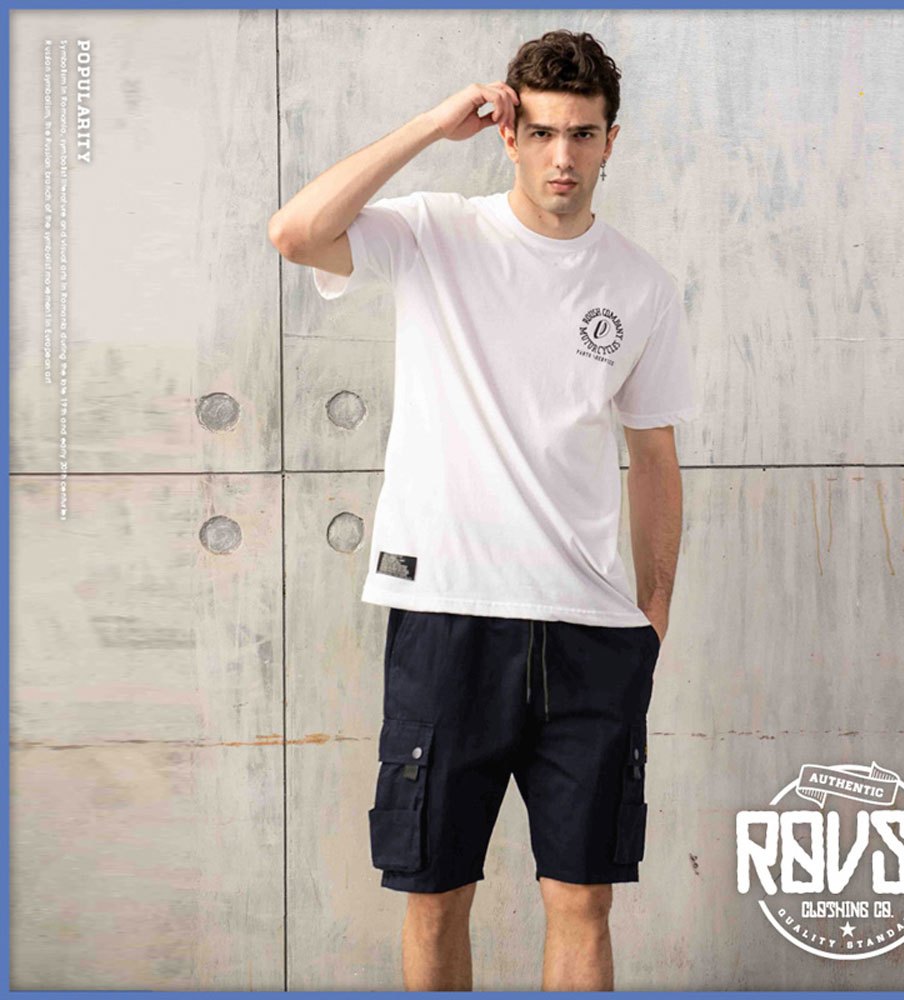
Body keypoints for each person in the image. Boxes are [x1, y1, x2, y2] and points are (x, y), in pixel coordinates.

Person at [269, 28, 701, 992]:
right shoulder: (436, 231)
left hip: (591, 633)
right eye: (541, 132)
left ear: (611, 140)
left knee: (584, 899)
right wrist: (431, 126)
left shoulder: (641, 286)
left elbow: (654, 455)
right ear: (508, 134)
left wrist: (654, 611)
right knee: (436, 894)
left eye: (581, 134)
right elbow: (294, 233)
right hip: (449, 617)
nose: (562, 156)